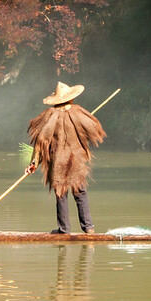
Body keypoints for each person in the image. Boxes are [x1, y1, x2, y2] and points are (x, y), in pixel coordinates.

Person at [25, 81, 106, 234]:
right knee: (80, 191)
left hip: (58, 161)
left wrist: (34, 163)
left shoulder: (48, 116)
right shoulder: (78, 112)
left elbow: (40, 142)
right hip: (76, 158)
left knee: (61, 192)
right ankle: (88, 228)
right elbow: (94, 129)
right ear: (70, 98)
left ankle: (64, 229)